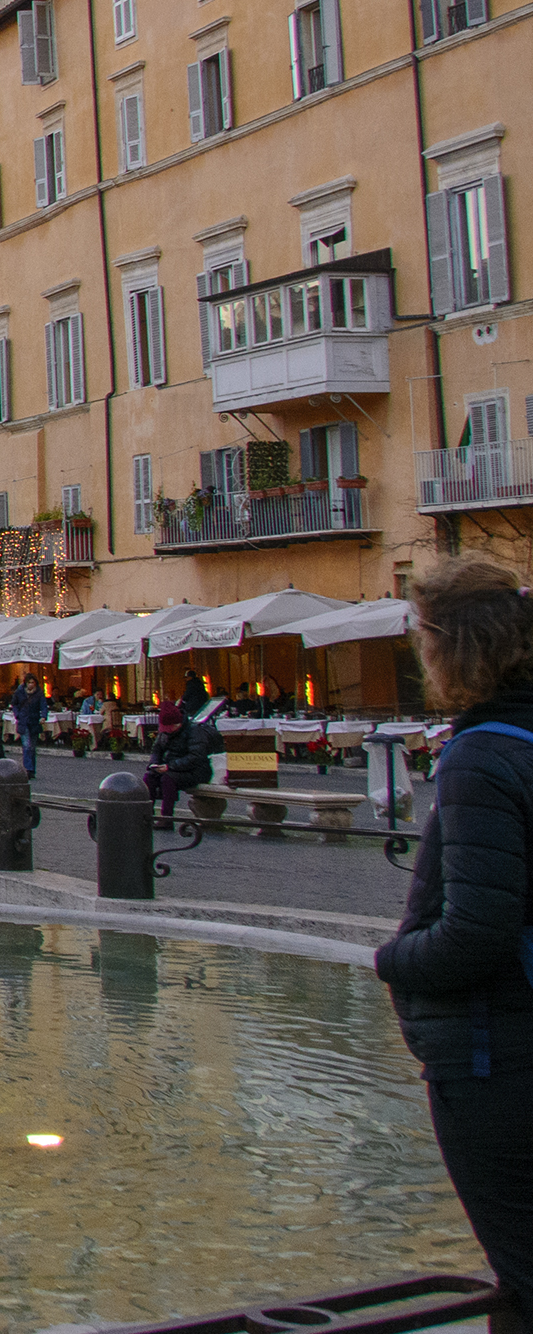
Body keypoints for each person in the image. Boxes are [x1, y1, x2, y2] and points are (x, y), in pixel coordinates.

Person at [374, 555, 533, 1304]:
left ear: (448, 645)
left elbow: (475, 929)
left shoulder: (480, 756)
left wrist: (393, 959)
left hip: (494, 1052)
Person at [146, 698, 218, 821]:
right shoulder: (165, 733)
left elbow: (196, 757)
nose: (165, 732)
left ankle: (167, 818)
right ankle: (147, 814)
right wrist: (155, 763)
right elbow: (157, 749)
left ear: (177, 724)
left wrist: (170, 766)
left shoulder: (195, 731)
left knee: (168, 779)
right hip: (174, 767)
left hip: (196, 770)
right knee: (149, 778)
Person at [9, 674, 47, 778]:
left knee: (32, 747)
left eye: (33, 683)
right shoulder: (20, 692)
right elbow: (14, 704)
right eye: (29, 682)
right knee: (26, 745)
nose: (31, 685)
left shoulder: (39, 693)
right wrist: (17, 715)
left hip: (34, 721)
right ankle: (28, 769)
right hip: (23, 720)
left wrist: (43, 716)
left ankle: (32, 769)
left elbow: (43, 705)